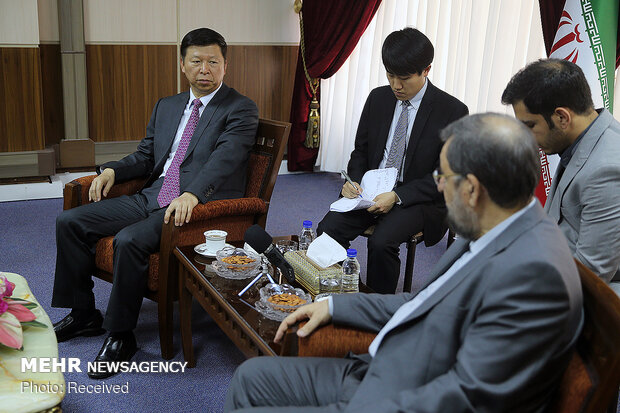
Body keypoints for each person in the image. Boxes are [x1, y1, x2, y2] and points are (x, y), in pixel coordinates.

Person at [225, 113, 584, 413]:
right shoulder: (494, 227)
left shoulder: (536, 277)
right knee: (248, 379)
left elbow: (467, 395)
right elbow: (422, 302)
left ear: (472, 189)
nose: (438, 187)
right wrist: (334, 306)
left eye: (442, 178)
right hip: (379, 371)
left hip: (398, 398)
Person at [51, 28, 259, 378]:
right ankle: (85, 313)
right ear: (182, 64)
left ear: (226, 66)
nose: (204, 69)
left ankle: (121, 335)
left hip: (196, 205)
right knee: (70, 222)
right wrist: (113, 172)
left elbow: (225, 159)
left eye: (213, 62)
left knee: (129, 241)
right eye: (196, 61)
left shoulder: (239, 108)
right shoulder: (168, 105)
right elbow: (147, 155)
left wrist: (192, 194)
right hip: (153, 195)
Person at [317, 27, 468, 294]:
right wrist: (352, 181)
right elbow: (360, 151)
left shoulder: (452, 111)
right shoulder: (378, 98)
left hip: (417, 198)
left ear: (426, 70)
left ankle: (378, 306)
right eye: (390, 75)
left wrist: (396, 196)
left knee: (382, 242)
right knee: (327, 229)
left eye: (405, 78)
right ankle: (347, 292)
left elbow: (445, 175)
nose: (396, 85)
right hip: (370, 193)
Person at [502, 58, 620, 294]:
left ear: (562, 118)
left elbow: (591, 273)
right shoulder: (587, 137)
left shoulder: (606, 170)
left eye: (530, 126)